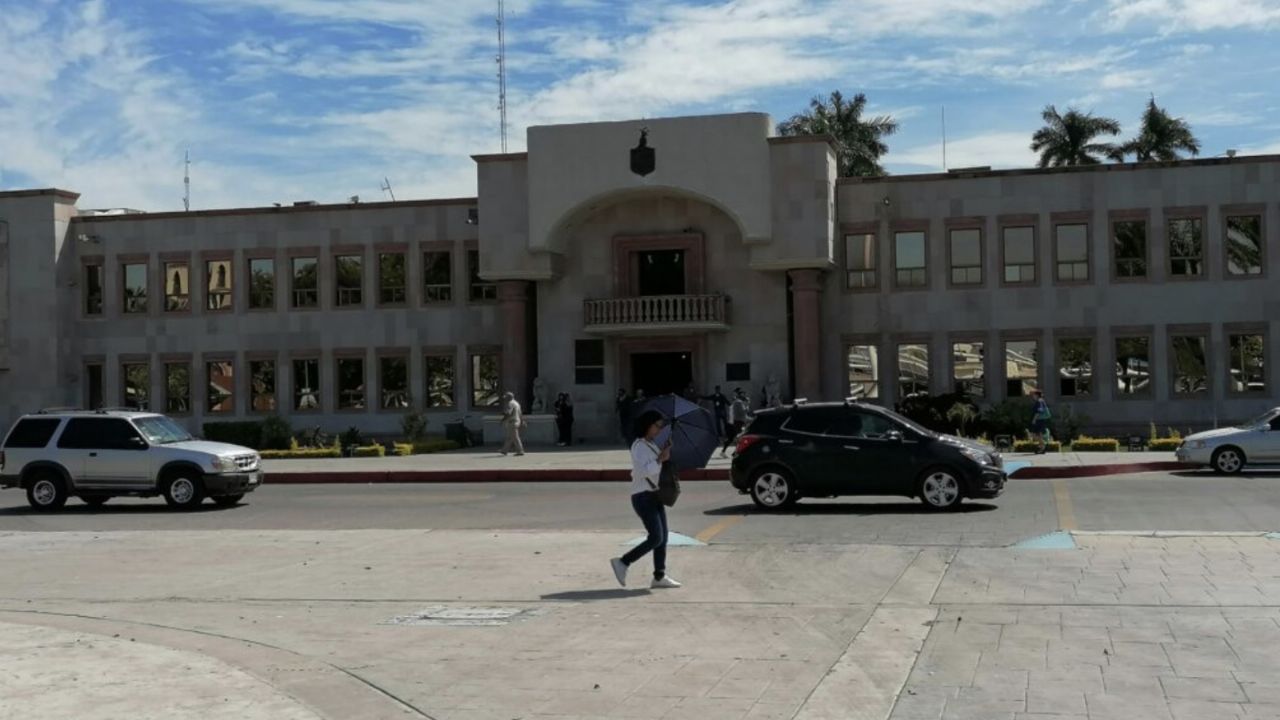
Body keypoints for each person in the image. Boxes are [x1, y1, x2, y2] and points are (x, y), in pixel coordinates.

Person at [610, 410, 681, 589]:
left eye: (661, 426)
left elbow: (657, 465)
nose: (659, 429)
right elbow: (645, 470)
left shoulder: (651, 445)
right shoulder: (639, 446)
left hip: (654, 494)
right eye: (657, 425)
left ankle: (659, 576)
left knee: (663, 537)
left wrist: (664, 451)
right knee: (656, 537)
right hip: (643, 496)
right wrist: (661, 459)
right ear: (647, 425)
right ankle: (623, 562)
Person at [721, 388, 750, 457]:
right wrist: (747, 405)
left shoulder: (737, 403)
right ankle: (735, 453)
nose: (744, 396)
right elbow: (742, 412)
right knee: (740, 438)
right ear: (739, 395)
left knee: (731, 438)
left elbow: (742, 415)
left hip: (734, 423)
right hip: (737, 423)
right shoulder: (739, 402)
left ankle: (725, 452)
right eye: (743, 394)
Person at [500, 391, 525, 456]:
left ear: (509, 397)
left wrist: (503, 419)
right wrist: (522, 421)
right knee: (510, 437)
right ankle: (504, 450)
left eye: (506, 397)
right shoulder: (517, 403)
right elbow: (520, 414)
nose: (505, 399)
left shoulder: (510, 403)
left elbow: (508, 413)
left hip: (512, 421)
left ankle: (520, 451)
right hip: (517, 421)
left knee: (515, 437)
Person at [1030, 389, 1052, 454]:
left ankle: (1042, 446)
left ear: (1037, 395)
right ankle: (1041, 447)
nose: (1033, 396)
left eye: (1033, 395)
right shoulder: (1041, 401)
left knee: (1035, 434)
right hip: (1040, 420)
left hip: (1039, 420)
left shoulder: (1039, 401)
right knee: (1038, 434)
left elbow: (1038, 411)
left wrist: (1034, 419)